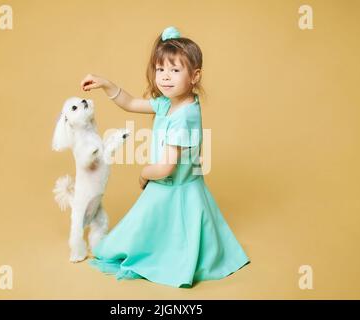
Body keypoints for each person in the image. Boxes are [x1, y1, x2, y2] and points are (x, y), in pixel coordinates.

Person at [80, 26, 250, 288]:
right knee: (146, 231)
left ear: (195, 76)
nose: (165, 77)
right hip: (169, 188)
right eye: (160, 70)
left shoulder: (184, 117)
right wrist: (106, 84)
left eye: (175, 70)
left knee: (171, 242)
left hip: (178, 190)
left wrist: (144, 173)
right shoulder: (168, 103)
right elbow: (131, 103)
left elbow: (167, 168)